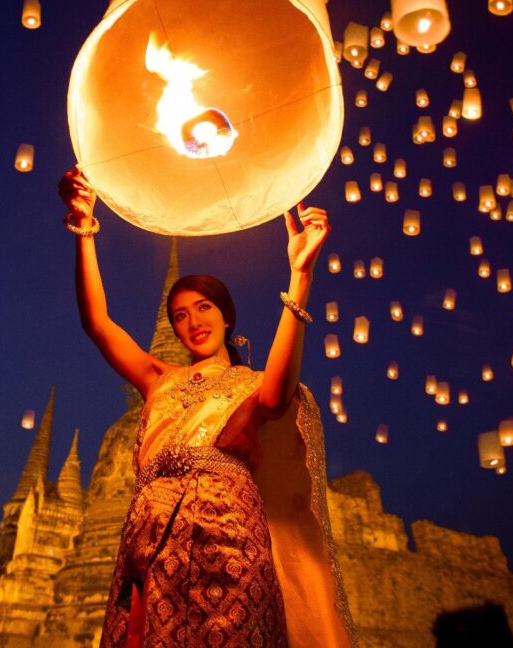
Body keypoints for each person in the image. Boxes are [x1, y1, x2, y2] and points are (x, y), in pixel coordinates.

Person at [58, 165, 357, 647]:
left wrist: (301, 275)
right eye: (180, 315)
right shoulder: (160, 379)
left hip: (230, 532)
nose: (192, 321)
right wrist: (85, 229)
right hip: (151, 532)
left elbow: (279, 398)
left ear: (225, 317)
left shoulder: (251, 383)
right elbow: (97, 323)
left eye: (203, 308)